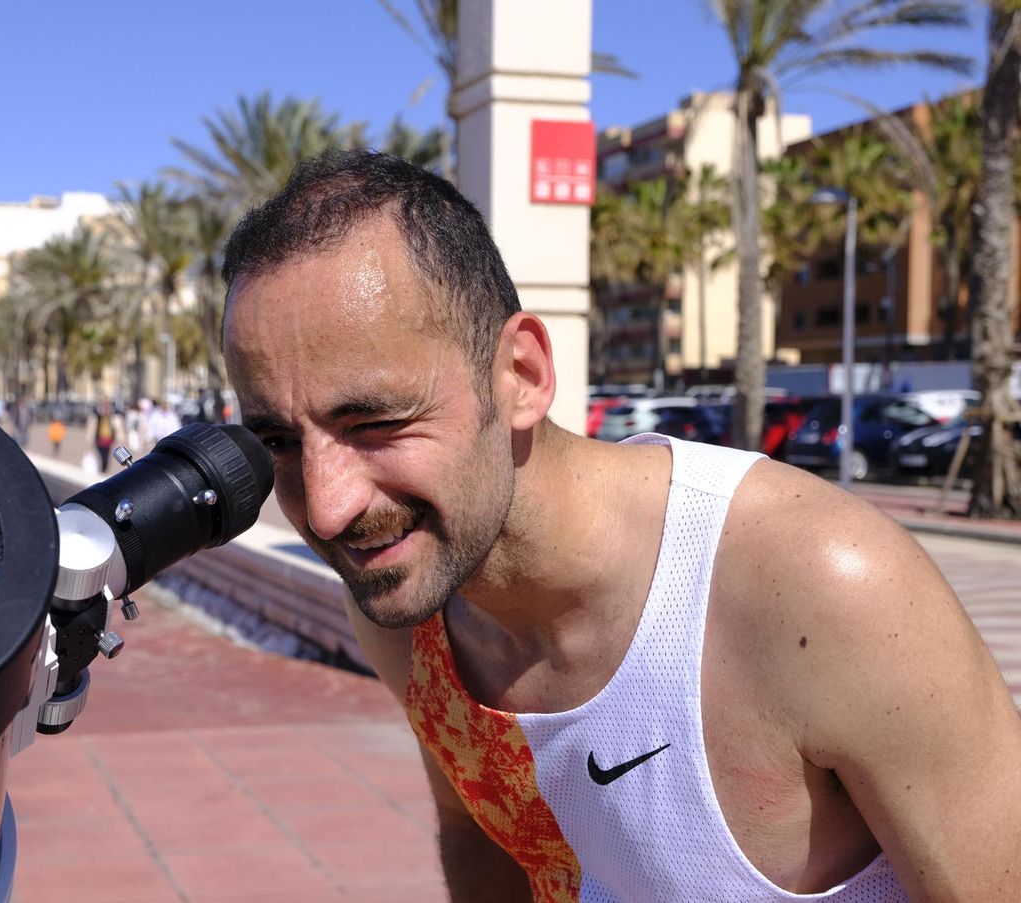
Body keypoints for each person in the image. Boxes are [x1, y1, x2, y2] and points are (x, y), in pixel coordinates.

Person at [220, 150, 1021, 901]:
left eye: (375, 422)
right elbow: (478, 829)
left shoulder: (820, 583)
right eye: (279, 442)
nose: (326, 508)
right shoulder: (408, 602)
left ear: (522, 377)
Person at [86, 398, 121, 474]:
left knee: (106, 456)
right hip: (99, 440)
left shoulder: (113, 417)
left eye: (108, 405)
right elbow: (91, 428)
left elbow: (118, 428)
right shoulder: (97, 416)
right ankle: (101, 469)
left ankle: (104, 469)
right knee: (101, 456)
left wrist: (120, 438)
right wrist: (89, 440)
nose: (106, 407)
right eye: (105, 405)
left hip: (109, 440)